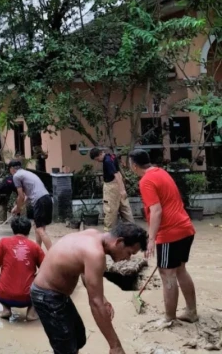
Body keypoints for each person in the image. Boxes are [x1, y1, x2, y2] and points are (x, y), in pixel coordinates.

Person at [31, 222, 147, 354]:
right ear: (119, 242)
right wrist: (115, 346)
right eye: (129, 252)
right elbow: (95, 304)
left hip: (58, 294)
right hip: (46, 295)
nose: (127, 258)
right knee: (66, 348)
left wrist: (102, 299)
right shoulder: (96, 254)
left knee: (79, 338)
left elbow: (85, 274)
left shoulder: (94, 234)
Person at [129, 149, 197, 324]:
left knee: (167, 273)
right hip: (185, 228)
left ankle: (169, 318)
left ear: (134, 165)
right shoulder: (161, 172)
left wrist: (151, 240)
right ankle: (191, 311)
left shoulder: (146, 181)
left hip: (170, 233)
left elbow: (156, 211)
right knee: (180, 270)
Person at [0, 216, 45, 321]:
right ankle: (31, 312)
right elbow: (46, 270)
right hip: (28, 298)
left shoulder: (3, 242)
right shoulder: (35, 246)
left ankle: (6, 309)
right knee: (44, 280)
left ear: (13, 229)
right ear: (28, 230)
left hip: (5, 296)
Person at [8, 160, 53, 250]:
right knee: (38, 227)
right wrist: (17, 207)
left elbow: (21, 196)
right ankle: (38, 251)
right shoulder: (26, 173)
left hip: (40, 201)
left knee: (40, 229)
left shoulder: (16, 176)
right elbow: (26, 196)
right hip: (47, 199)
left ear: (12, 169)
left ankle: (53, 254)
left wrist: (18, 209)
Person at [90, 148, 134, 231]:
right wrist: (122, 187)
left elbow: (116, 174)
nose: (98, 161)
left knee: (110, 210)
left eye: (97, 159)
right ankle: (132, 230)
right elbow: (118, 171)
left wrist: (122, 190)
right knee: (125, 209)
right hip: (119, 184)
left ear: (99, 154)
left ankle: (109, 233)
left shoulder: (107, 161)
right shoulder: (111, 156)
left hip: (111, 187)